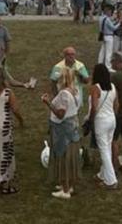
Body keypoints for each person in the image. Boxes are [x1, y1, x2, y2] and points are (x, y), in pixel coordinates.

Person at [42, 67, 81, 199]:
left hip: (64, 132)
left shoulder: (64, 94)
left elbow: (60, 114)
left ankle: (65, 190)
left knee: (64, 158)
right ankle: (68, 184)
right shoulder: (75, 91)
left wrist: (48, 103)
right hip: (72, 129)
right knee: (70, 159)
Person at [88, 63, 119, 189]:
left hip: (101, 121)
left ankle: (111, 181)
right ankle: (103, 174)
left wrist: (91, 119)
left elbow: (94, 107)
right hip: (112, 119)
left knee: (104, 149)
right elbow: (117, 105)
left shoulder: (95, 88)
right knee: (108, 146)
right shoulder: (112, 86)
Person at [96, 5, 118, 70]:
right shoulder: (107, 19)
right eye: (110, 12)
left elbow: (108, 25)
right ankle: (108, 66)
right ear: (108, 11)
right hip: (109, 36)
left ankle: (99, 63)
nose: (111, 13)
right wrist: (119, 23)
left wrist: (114, 22)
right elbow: (113, 28)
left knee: (102, 51)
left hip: (103, 35)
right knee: (109, 52)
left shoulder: (101, 18)